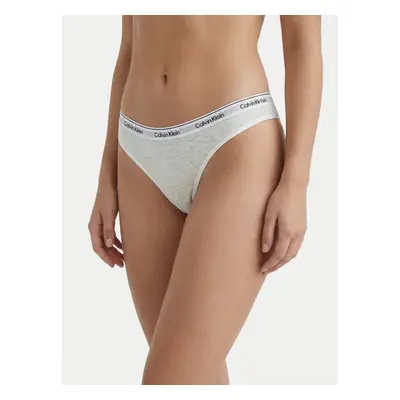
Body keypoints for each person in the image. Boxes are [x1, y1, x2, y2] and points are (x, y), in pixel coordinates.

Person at [88, 15, 322, 385]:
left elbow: (302, 42)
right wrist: (107, 176)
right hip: (137, 150)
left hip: (234, 140)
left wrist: (296, 181)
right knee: (197, 377)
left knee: (168, 380)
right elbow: (129, 45)